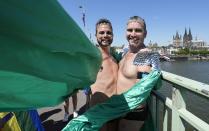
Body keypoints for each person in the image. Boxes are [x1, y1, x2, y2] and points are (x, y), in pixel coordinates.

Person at [116, 16, 158, 131]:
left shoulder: (144, 56)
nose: (133, 34)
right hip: (120, 109)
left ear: (145, 34)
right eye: (130, 30)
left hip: (131, 112)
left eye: (138, 30)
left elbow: (141, 91)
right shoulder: (126, 52)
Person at [89, 18, 118, 131]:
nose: (105, 35)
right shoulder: (92, 57)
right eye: (101, 32)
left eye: (108, 32)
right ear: (96, 35)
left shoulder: (115, 58)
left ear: (113, 35)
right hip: (99, 114)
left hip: (115, 112)